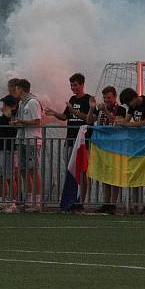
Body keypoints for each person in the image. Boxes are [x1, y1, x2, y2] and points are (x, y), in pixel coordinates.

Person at [44, 73, 95, 210]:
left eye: (75, 85)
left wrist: (75, 112)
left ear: (82, 84)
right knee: (72, 171)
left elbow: (90, 119)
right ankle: (72, 199)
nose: (73, 88)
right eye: (71, 85)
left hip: (84, 142)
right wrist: (54, 113)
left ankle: (81, 202)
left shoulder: (89, 99)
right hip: (70, 140)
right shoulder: (72, 99)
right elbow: (65, 116)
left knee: (83, 171)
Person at [87, 86, 127, 214]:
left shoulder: (121, 109)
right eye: (104, 98)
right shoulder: (100, 108)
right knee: (104, 175)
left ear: (114, 97)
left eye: (109, 97)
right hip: (102, 146)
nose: (106, 100)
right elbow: (89, 121)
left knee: (114, 175)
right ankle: (106, 202)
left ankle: (113, 203)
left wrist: (106, 111)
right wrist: (92, 108)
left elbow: (116, 123)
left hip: (115, 146)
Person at [10, 79, 43, 212]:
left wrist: (20, 121)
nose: (15, 91)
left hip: (32, 140)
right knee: (23, 170)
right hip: (22, 139)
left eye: (16, 89)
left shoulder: (32, 102)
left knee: (33, 170)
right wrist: (16, 123)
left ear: (22, 89)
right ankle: (29, 201)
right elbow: (23, 121)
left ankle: (37, 202)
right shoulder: (22, 103)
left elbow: (37, 121)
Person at [0, 95, 20, 212]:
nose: (3, 107)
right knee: (0, 176)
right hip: (1, 148)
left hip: (9, 149)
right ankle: (3, 201)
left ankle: (12, 202)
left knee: (9, 176)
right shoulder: (5, 116)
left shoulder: (14, 116)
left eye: (4, 105)